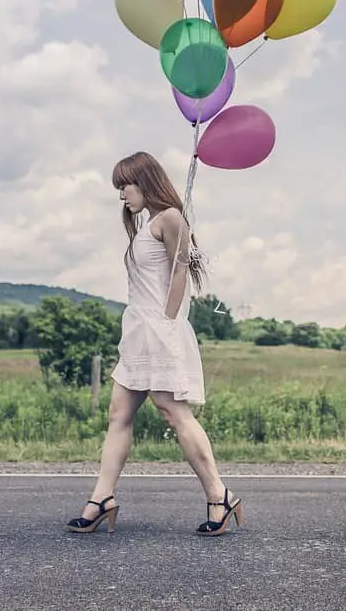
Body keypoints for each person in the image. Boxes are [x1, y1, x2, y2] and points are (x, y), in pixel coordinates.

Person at [65, 151, 243, 537]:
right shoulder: (145, 225)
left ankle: (219, 495)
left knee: (172, 412)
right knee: (118, 414)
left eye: (125, 186)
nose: (122, 195)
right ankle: (101, 499)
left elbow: (179, 275)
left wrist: (167, 324)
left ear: (144, 181)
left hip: (160, 329)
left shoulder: (170, 219)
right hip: (138, 332)